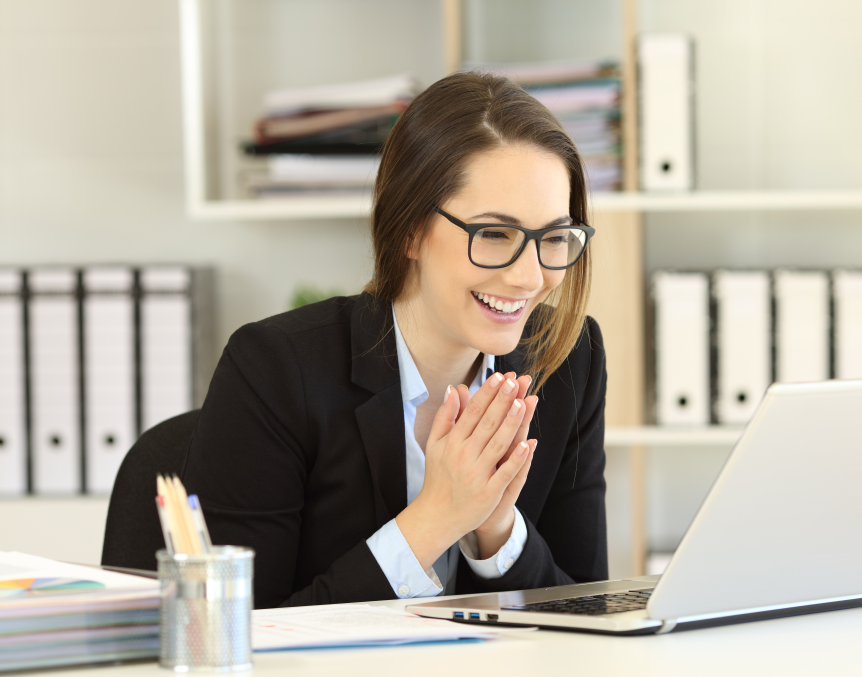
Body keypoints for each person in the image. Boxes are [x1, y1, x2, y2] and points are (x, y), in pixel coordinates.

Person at [181, 72, 608, 609]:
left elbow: (589, 616)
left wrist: (498, 531)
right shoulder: (274, 369)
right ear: (408, 228)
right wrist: (435, 520)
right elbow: (231, 631)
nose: (529, 277)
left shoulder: (569, 360)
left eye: (554, 237)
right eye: (494, 234)